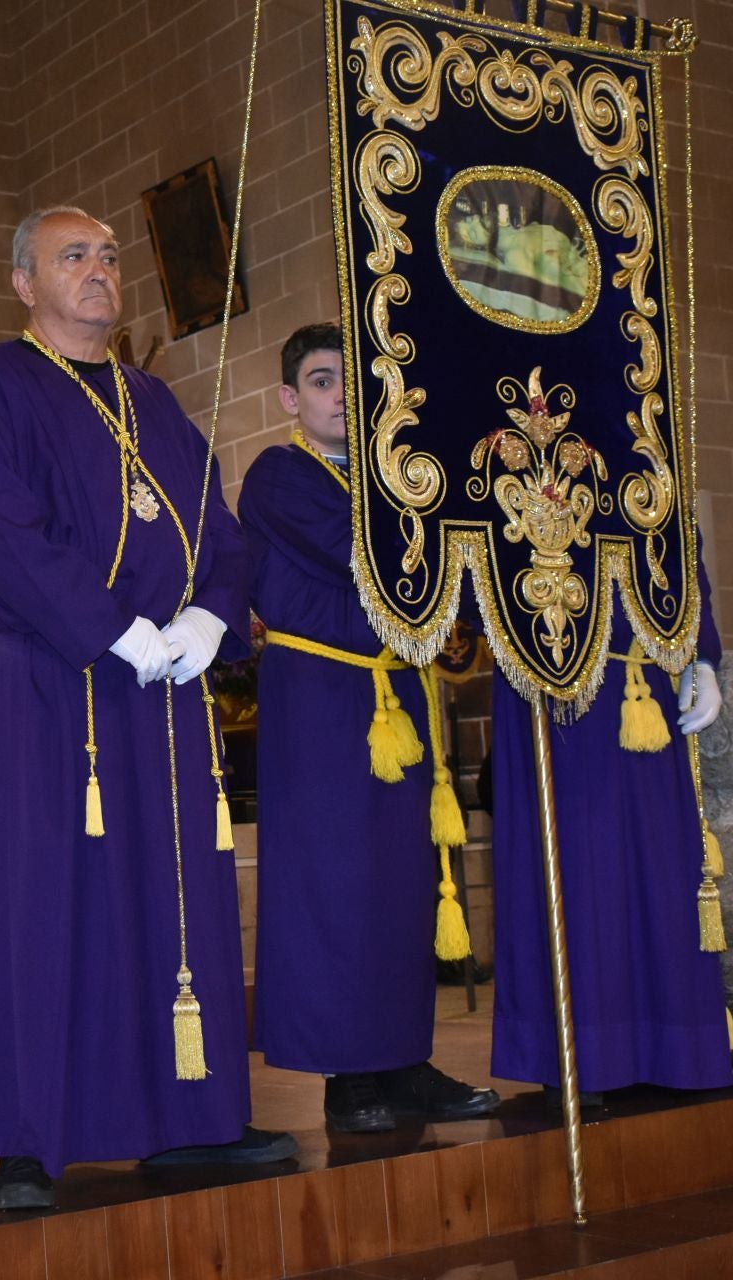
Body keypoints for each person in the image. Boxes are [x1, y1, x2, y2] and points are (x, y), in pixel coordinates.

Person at [0, 205, 291, 1210]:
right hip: (55, 683)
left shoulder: (152, 398)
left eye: (108, 256)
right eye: (73, 256)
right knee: (50, 903)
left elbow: (217, 528)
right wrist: (109, 629)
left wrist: (212, 616)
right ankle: (33, 1137)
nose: (99, 270)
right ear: (24, 283)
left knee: (176, 900)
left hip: (166, 693)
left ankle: (191, 1119)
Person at [242, 322, 499, 1132]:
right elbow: (370, 557)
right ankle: (347, 1077)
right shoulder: (279, 475)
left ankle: (405, 1059)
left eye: (353, 382)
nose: (342, 397)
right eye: (322, 381)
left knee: (402, 884)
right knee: (334, 884)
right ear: (290, 398)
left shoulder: (397, 483)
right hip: (323, 704)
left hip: (402, 703)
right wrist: (449, 545)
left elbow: (438, 572)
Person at [486, 528, 730, 1099]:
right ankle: (583, 1055)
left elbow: (678, 544)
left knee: (664, 871)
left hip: (649, 682)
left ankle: (679, 1050)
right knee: (581, 872)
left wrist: (703, 656)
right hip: (557, 678)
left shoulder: (648, 469)